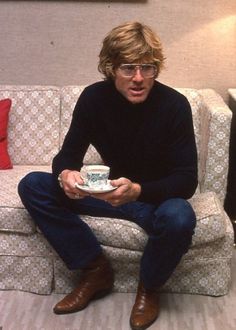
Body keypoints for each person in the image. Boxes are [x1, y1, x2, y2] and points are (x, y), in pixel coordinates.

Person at [18, 21, 198, 330]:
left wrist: (138, 190)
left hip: (156, 198)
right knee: (33, 185)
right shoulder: (93, 98)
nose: (139, 78)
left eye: (148, 67)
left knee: (181, 216)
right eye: (128, 68)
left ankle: (149, 288)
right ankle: (95, 270)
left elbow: (187, 179)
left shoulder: (174, 105)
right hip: (110, 194)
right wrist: (67, 173)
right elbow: (67, 155)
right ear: (110, 67)